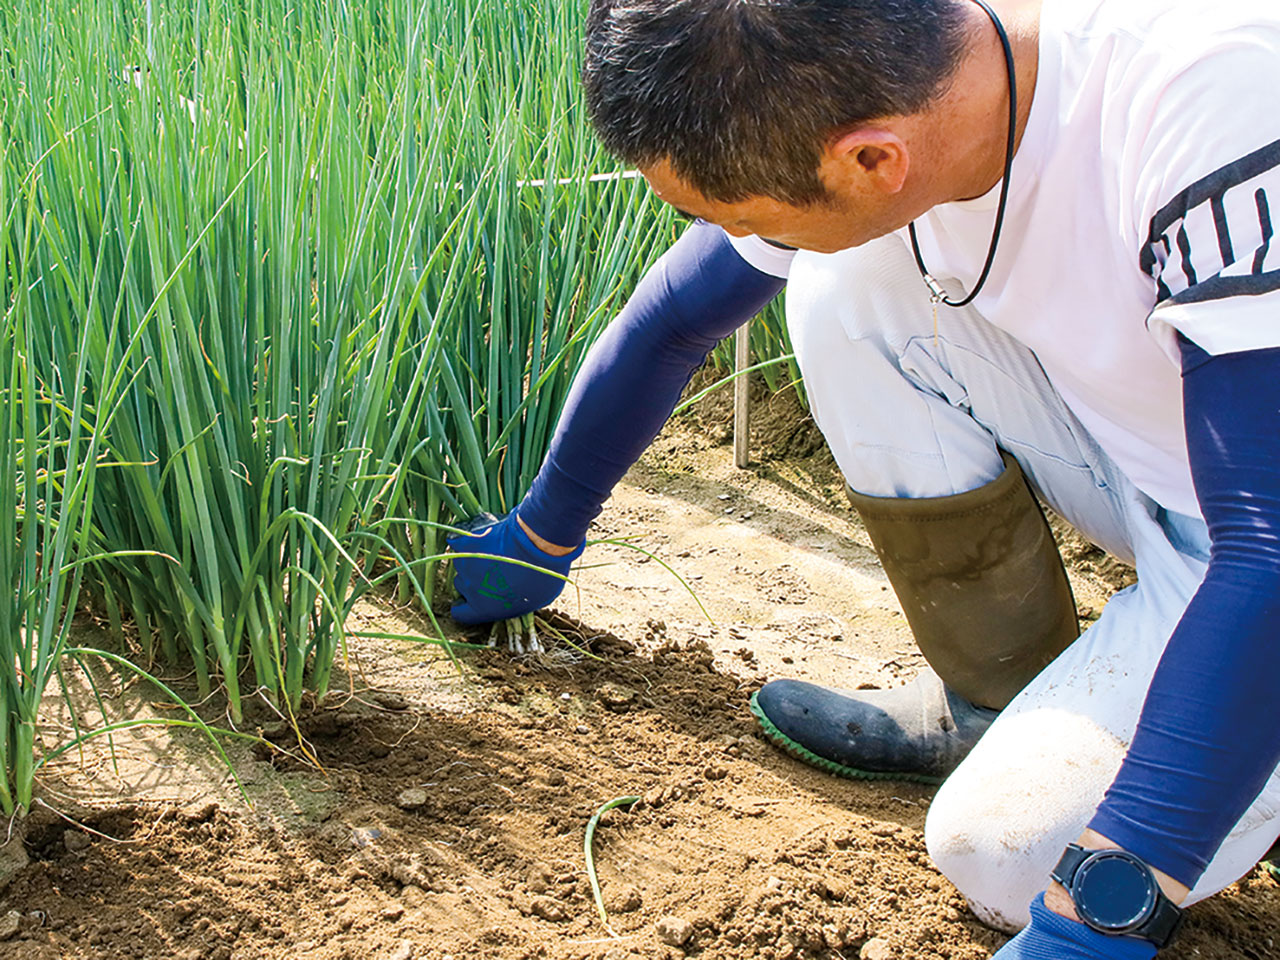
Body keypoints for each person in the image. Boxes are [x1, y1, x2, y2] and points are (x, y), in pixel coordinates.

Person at [448, 0, 1280, 955]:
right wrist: (544, 531)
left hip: (1253, 549)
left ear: (873, 160)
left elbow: (1271, 553)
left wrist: (1100, 915)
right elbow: (676, 318)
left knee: (1001, 856)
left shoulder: (1214, 105)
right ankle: (996, 705)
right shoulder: (927, 80)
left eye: (735, 213)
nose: (722, 234)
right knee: (845, 284)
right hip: (1169, 462)